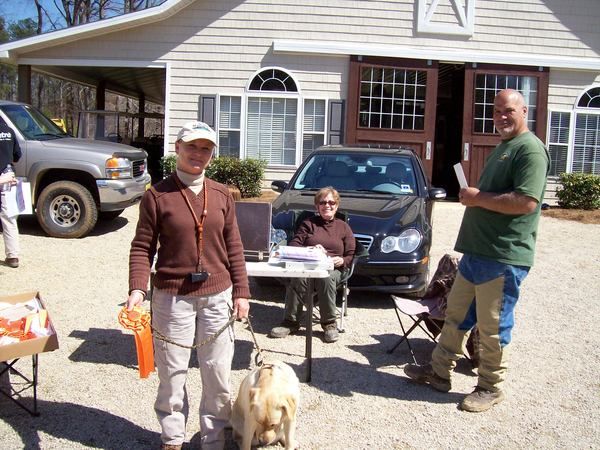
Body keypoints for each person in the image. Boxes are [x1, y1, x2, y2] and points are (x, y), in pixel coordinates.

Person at [403, 89, 550, 413]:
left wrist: (477, 197)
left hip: (502, 256)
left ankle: (490, 387)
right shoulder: (505, 147)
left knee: (492, 327)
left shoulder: (530, 150)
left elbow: (527, 202)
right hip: (476, 253)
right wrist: (476, 198)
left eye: (508, 110)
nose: (501, 116)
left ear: (524, 111)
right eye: (496, 111)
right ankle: (439, 373)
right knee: (455, 316)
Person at [127, 121, 250, 450]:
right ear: (177, 148)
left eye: (205, 148)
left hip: (217, 297)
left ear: (212, 154)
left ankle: (214, 439)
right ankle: (172, 438)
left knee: (218, 374)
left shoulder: (222, 194)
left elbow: (234, 247)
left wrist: (241, 292)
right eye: (192, 146)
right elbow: (142, 247)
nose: (198, 153)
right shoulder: (156, 196)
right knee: (172, 374)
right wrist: (137, 288)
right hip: (172, 298)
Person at [269, 187, 355, 343]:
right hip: (309, 266)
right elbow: (294, 244)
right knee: (298, 277)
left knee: (326, 278)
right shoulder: (309, 223)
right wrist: (309, 249)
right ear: (317, 206)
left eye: (331, 202)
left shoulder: (343, 227)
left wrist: (342, 260)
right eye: (323, 202)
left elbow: (351, 254)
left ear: (337, 206)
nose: (327, 205)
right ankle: (290, 322)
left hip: (333, 268)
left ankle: (329, 324)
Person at [0, 117, 22, 269]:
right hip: (7, 175)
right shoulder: (9, 131)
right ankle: (13, 256)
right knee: (9, 216)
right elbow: (17, 156)